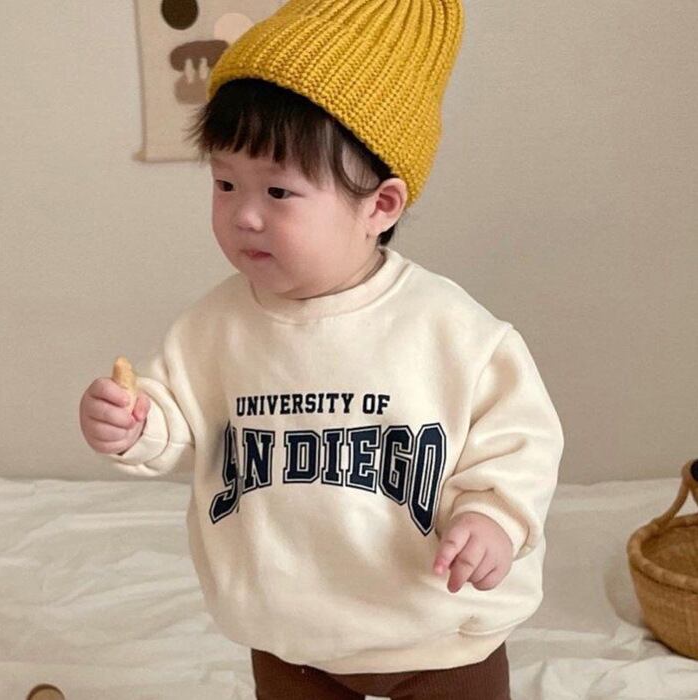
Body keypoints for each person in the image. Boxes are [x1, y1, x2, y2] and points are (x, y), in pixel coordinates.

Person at [79, 1, 564, 698]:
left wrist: (493, 517)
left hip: (437, 627)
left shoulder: (452, 330)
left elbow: (520, 442)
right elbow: (172, 417)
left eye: (279, 190)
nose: (245, 214)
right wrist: (131, 424)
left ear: (380, 206)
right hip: (289, 633)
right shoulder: (213, 327)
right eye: (225, 183)